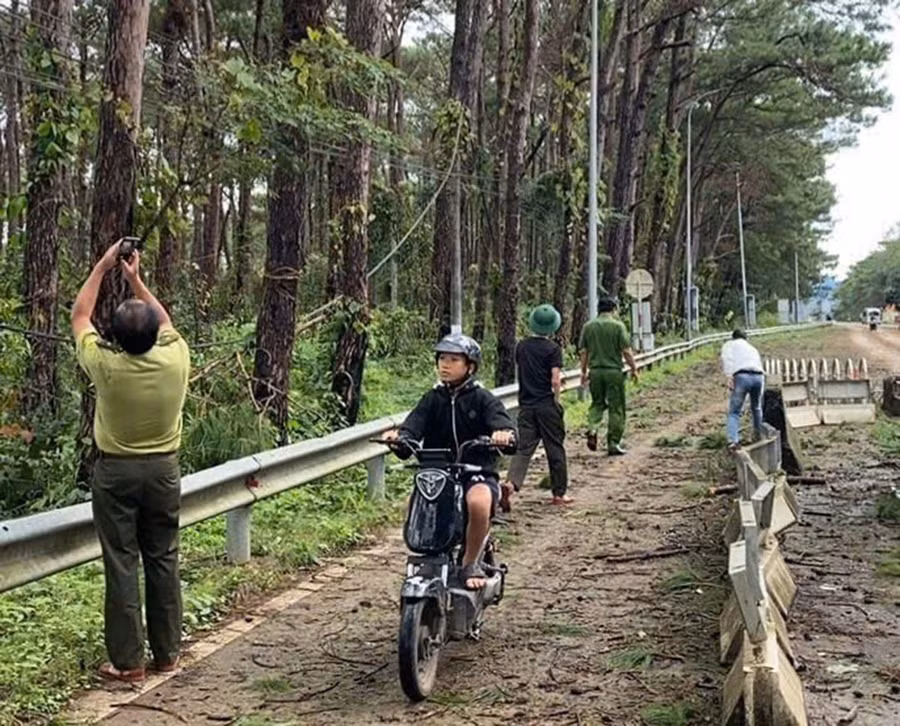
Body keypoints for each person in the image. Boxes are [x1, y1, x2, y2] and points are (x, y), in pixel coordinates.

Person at [72, 240, 190, 684]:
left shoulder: (107, 365)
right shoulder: (176, 357)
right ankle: (168, 654)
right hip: (164, 471)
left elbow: (80, 316)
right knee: (163, 557)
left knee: (122, 561)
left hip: (116, 473)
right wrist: (136, 279)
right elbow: (165, 320)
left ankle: (128, 662)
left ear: (115, 339)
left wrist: (103, 266)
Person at [384, 333, 516, 590]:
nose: (445, 364)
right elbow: (412, 428)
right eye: (442, 358)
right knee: (414, 503)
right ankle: (429, 558)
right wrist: (399, 439)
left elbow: (505, 427)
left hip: (476, 471)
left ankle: (470, 561)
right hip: (438, 473)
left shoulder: (483, 398)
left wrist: (503, 435)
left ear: (470, 366)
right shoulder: (432, 399)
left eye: (454, 359)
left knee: (478, 502)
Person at [501, 304, 570, 510]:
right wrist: (556, 399)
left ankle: (510, 485)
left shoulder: (521, 346)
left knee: (523, 449)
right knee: (554, 448)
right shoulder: (553, 349)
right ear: (553, 327)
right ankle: (559, 494)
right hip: (546, 405)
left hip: (527, 406)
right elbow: (555, 380)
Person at [578, 297, 639, 455]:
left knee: (597, 403)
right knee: (616, 407)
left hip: (595, 372)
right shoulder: (618, 326)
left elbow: (584, 352)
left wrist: (584, 372)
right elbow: (626, 351)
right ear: (613, 309)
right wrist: (634, 369)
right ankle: (613, 443)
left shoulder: (588, 327)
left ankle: (592, 429)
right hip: (613, 372)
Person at [720, 329, 765, 451]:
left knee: (734, 411)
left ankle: (733, 441)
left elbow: (727, 359)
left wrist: (729, 376)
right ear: (746, 338)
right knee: (756, 407)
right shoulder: (752, 348)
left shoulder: (730, 345)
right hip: (758, 376)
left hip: (742, 376)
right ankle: (759, 435)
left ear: (733, 337)